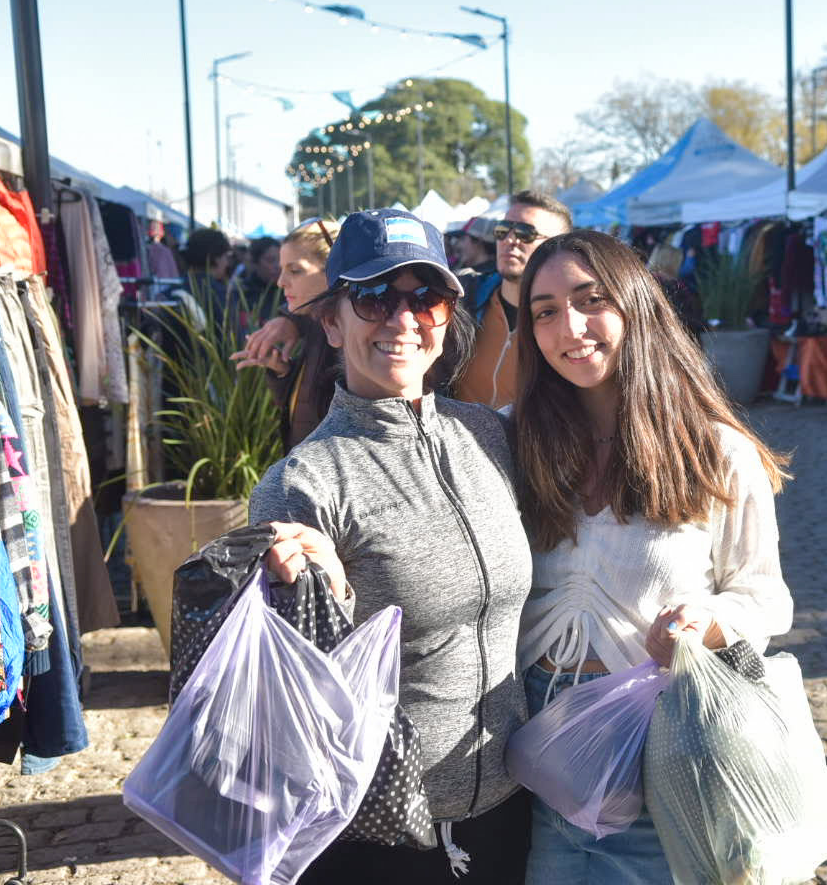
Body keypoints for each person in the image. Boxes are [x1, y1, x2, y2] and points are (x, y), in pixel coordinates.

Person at [248, 208, 533, 881]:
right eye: (374, 297)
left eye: (425, 296)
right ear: (332, 320)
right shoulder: (303, 484)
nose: (403, 320)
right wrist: (326, 593)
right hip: (380, 833)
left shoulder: (488, 436)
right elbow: (288, 692)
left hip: (510, 807)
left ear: (448, 313)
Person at [513, 229, 793, 882]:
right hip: (536, 757)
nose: (570, 327)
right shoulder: (516, 441)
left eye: (591, 300)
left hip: (659, 751)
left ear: (636, 304)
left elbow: (766, 598)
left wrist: (707, 621)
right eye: (546, 311)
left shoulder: (718, 451)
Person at [455, 190, 572, 409]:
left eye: (525, 233)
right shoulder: (463, 299)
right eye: (502, 230)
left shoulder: (571, 324)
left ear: (558, 247)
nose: (510, 240)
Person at [230, 218, 338, 452]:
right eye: (281, 269)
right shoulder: (319, 323)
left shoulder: (347, 332)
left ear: (333, 269)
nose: (281, 282)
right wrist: (284, 372)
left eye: (295, 270)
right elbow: (310, 410)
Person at [226, 235, 283, 329]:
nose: (278, 266)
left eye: (280, 260)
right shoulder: (242, 292)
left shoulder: (290, 291)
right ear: (256, 262)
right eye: (270, 260)